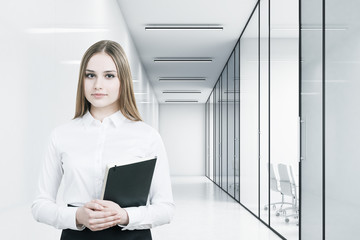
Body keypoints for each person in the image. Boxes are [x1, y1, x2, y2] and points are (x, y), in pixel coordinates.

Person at [31, 40, 175, 240]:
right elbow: (40, 206)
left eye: (109, 76)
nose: (98, 85)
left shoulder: (147, 136)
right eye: (90, 75)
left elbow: (166, 209)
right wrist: (77, 216)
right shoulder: (61, 135)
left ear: (122, 80)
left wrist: (125, 216)